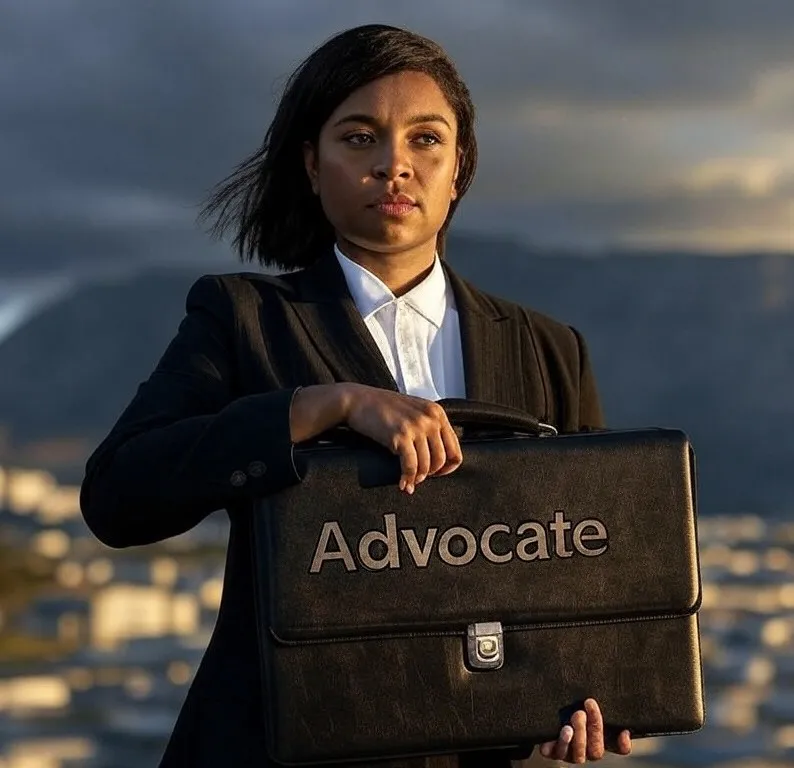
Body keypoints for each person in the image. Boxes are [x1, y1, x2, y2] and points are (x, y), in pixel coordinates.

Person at [80, 23, 632, 768]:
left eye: (426, 140)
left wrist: (602, 689)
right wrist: (316, 408)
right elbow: (117, 495)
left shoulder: (549, 349)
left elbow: (590, 569)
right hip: (279, 745)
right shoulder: (243, 318)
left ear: (460, 166)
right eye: (360, 138)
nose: (394, 166)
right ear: (311, 164)